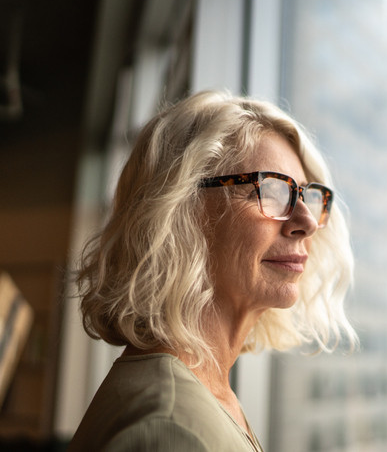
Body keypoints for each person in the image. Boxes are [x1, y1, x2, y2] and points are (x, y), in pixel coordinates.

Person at [68, 90, 357, 451]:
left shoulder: (204, 393)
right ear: (178, 211)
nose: (307, 222)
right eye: (271, 192)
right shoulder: (170, 428)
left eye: (307, 196)